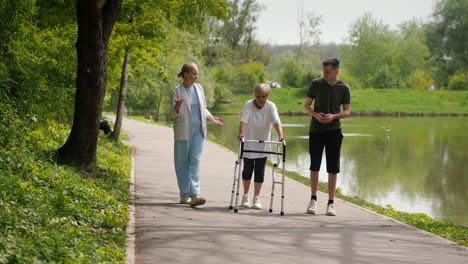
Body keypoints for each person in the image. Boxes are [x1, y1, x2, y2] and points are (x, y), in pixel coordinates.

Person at [171, 63, 224, 207]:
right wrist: (176, 107)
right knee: (182, 163)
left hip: (198, 131)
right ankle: (184, 195)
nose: (196, 76)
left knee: (195, 161)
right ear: (186, 74)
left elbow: (203, 109)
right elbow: (173, 115)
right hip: (183, 131)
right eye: (194, 73)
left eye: (197, 74)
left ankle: (195, 194)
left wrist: (211, 117)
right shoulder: (177, 91)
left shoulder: (199, 88)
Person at [304, 58, 351, 216]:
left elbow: (347, 112)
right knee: (314, 165)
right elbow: (307, 105)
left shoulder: (344, 88)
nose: (324, 74)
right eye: (323, 71)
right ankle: (313, 200)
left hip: (334, 131)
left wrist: (333, 116)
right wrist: (316, 115)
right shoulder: (316, 84)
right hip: (316, 130)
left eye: (328, 72)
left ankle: (331, 203)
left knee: (333, 168)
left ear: (336, 71)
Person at [238, 83, 284, 210]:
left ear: (268, 96)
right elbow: (243, 121)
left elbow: (276, 122)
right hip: (248, 143)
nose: (261, 99)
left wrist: (281, 136)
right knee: (247, 171)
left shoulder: (271, 106)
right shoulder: (248, 105)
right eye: (258, 97)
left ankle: (256, 198)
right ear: (255, 96)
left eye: (264, 97)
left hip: (263, 144)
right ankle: (245, 196)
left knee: (260, 172)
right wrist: (241, 133)